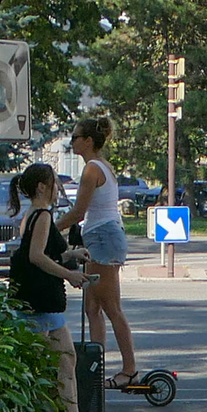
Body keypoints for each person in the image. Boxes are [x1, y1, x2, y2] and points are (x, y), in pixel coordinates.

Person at [58, 116, 139, 392]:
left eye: (75, 138)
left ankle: (130, 370)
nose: (72, 143)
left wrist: (49, 227)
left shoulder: (93, 169)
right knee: (91, 308)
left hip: (103, 239)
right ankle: (95, 368)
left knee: (111, 307)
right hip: (99, 237)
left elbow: (79, 211)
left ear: (88, 141)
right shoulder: (100, 166)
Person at [9, 163, 92, 412]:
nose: (58, 188)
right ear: (42, 187)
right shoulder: (43, 215)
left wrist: (70, 256)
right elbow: (36, 256)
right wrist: (70, 274)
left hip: (37, 303)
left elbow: (43, 253)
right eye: (55, 183)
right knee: (58, 361)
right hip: (42, 305)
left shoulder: (31, 215)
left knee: (64, 358)